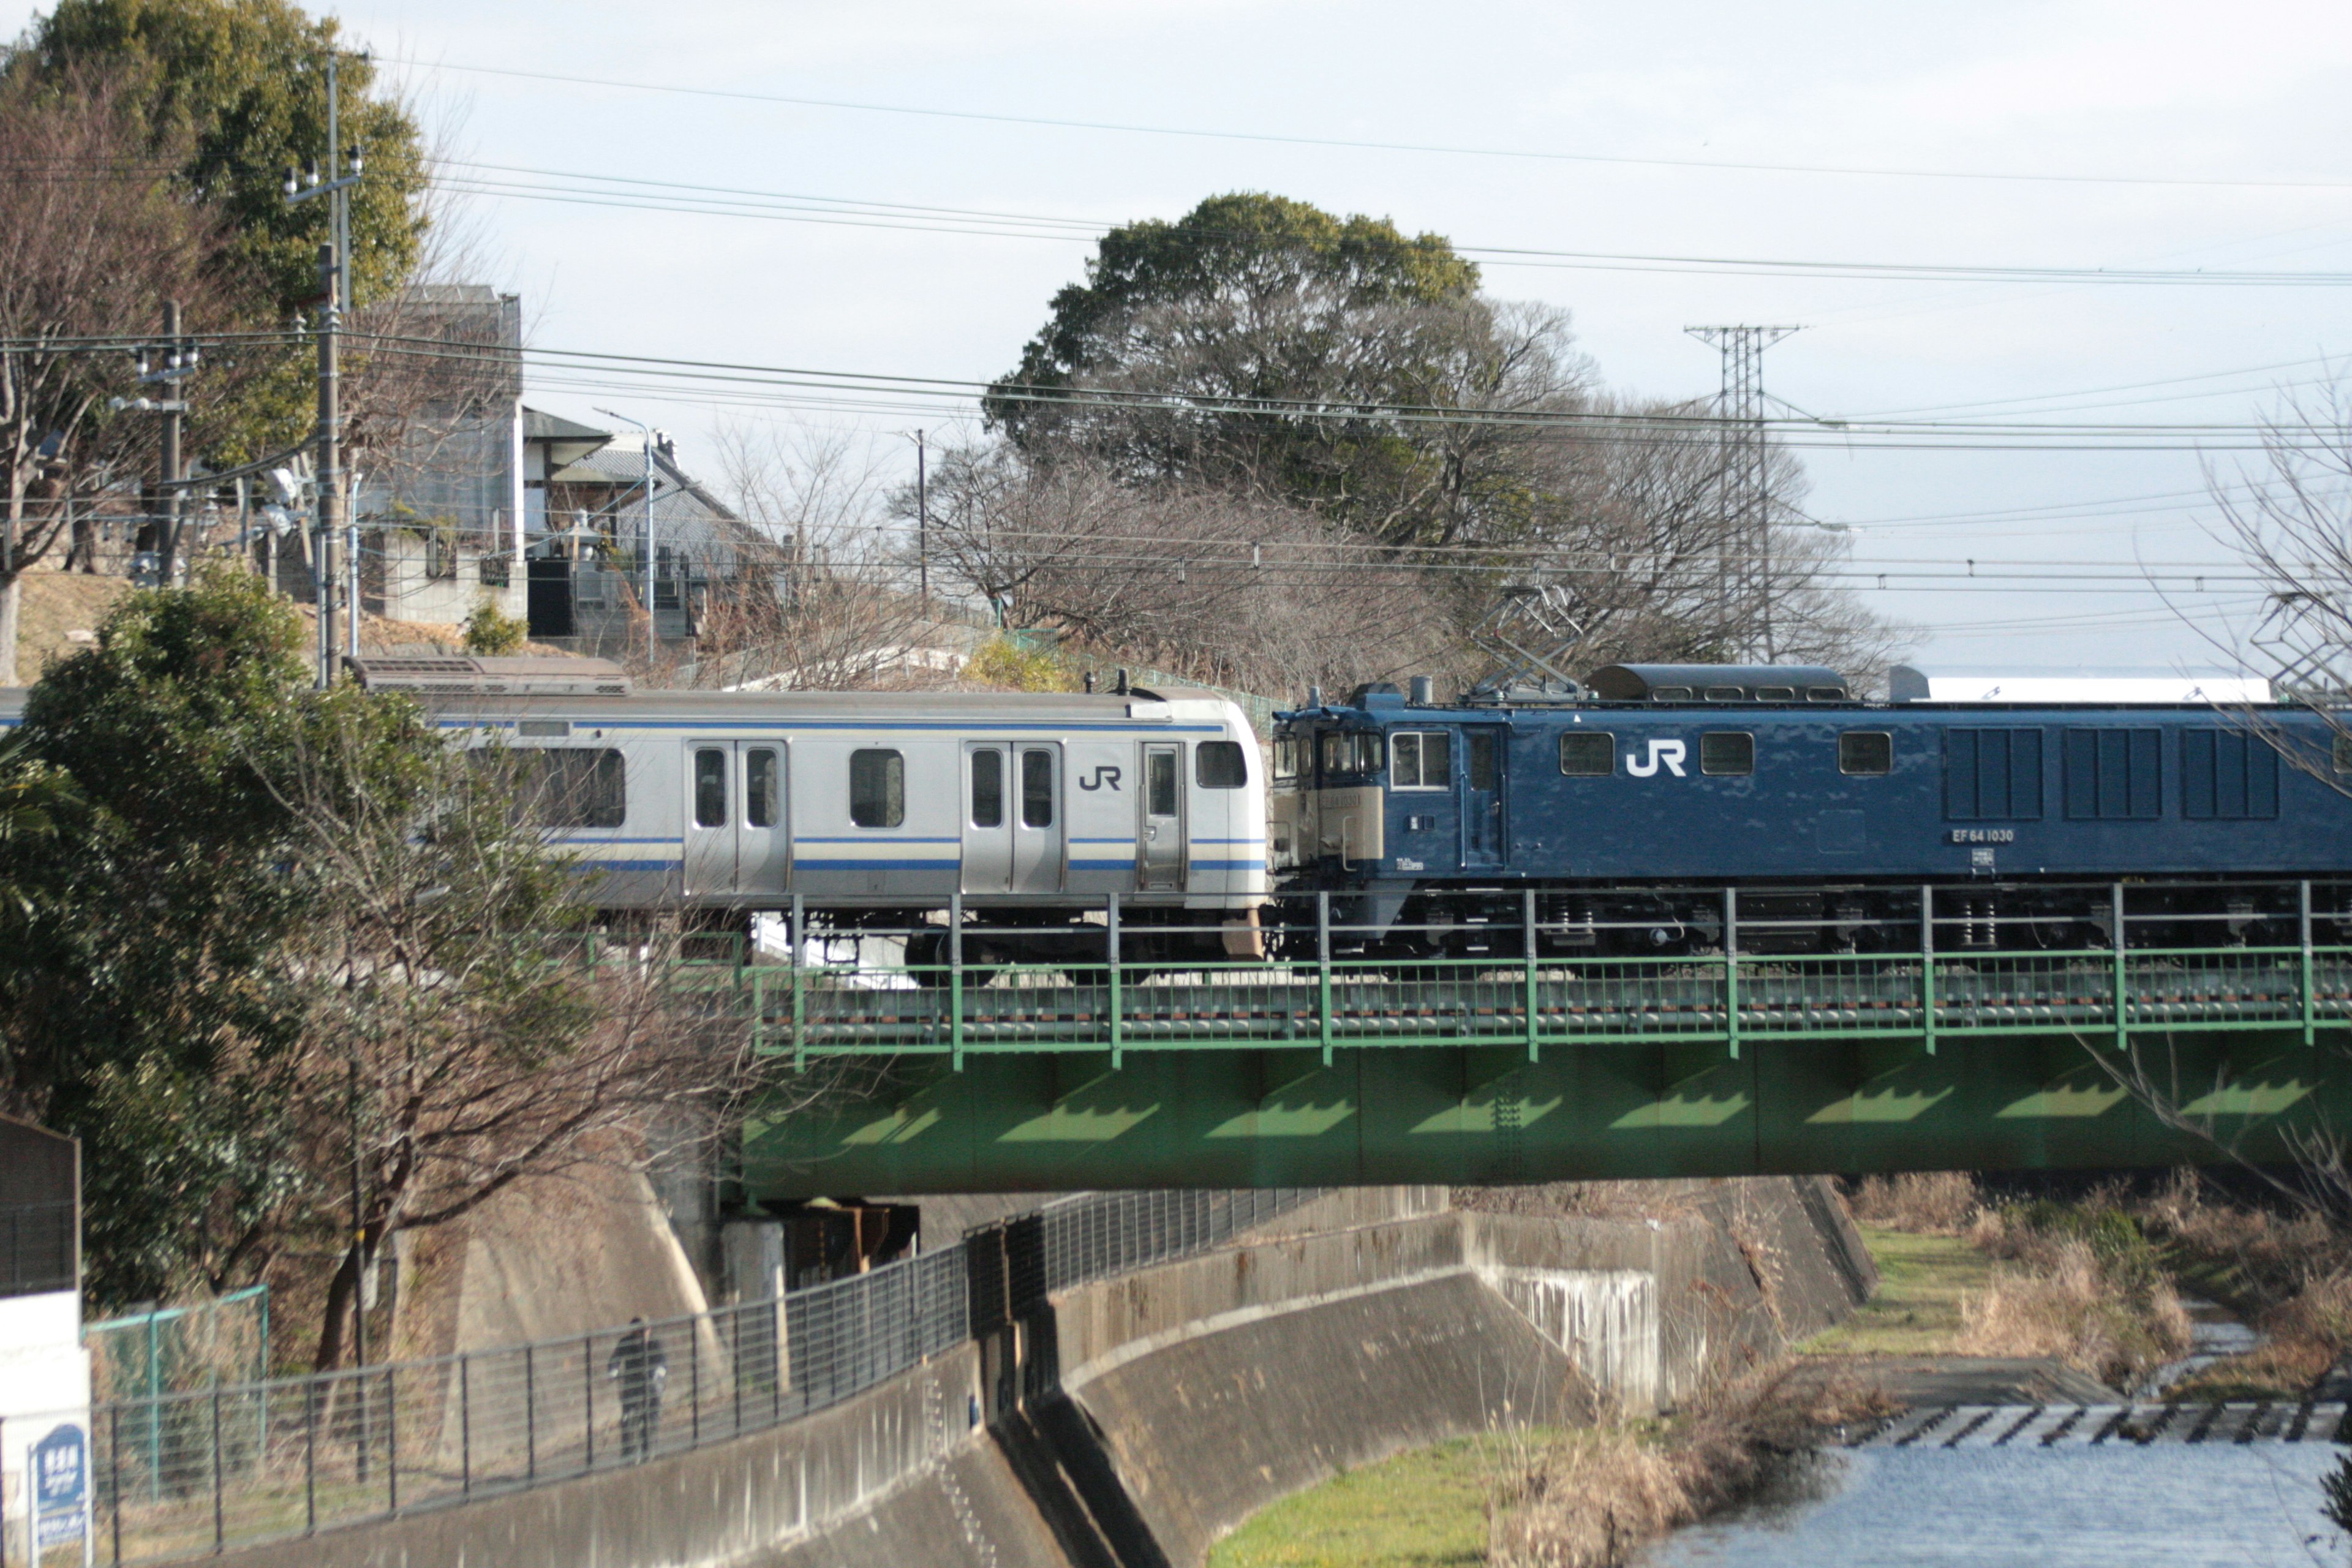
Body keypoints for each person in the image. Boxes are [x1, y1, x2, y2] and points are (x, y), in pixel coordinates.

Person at [605, 1317, 669, 1461]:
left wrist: (659, 1371)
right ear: (634, 1331)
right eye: (641, 1330)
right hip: (632, 1383)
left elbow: (663, 1361)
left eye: (647, 1330)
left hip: (651, 1383)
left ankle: (650, 1450)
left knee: (653, 1415)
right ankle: (629, 1453)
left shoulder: (654, 1343)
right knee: (628, 1416)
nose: (645, 1333)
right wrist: (613, 1371)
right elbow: (615, 1358)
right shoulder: (626, 1342)